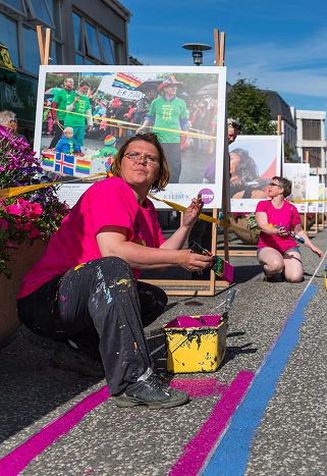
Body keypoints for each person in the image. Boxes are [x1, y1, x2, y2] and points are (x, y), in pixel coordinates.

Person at [16, 133, 214, 409]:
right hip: (45, 300)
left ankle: (82, 351)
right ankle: (133, 380)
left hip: (75, 297)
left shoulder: (145, 207)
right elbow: (114, 250)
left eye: (150, 158)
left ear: (159, 171)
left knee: (152, 296)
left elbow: (156, 255)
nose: (141, 160)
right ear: (120, 163)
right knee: (112, 267)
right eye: (133, 155)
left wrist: (185, 226)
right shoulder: (112, 190)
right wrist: (180, 257)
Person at [256, 176, 323, 282]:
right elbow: (263, 226)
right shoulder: (263, 205)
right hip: (268, 246)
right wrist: (276, 231)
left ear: (281, 190)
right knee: (275, 265)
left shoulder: (291, 208)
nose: (269, 186)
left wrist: (312, 247)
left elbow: (299, 231)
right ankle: (269, 272)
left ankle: (285, 269)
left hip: (288, 247)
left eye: (273, 185)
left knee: (295, 278)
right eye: (270, 184)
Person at [138, 76, 189, 183]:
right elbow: (150, 117)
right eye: (171, 87)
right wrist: (143, 126)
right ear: (164, 89)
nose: (174, 89)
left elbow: (184, 122)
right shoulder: (156, 102)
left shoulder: (181, 103)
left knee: (175, 164)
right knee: (160, 161)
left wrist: (186, 137)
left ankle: (174, 185)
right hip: (159, 137)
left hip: (174, 138)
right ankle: (160, 184)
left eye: (175, 87)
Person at [62, 81, 93, 149]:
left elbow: (88, 112)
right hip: (71, 123)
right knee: (67, 141)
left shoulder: (87, 99)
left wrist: (90, 124)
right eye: (84, 88)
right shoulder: (72, 95)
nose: (86, 90)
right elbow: (68, 109)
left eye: (87, 89)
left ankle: (77, 154)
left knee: (79, 142)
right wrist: (74, 102)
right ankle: (65, 156)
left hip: (81, 124)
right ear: (80, 87)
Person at [48, 77, 75, 148]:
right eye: (69, 81)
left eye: (72, 82)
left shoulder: (74, 94)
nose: (71, 83)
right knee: (58, 136)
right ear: (65, 83)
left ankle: (68, 151)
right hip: (60, 118)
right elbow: (53, 105)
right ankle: (50, 149)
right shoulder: (60, 93)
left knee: (70, 136)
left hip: (70, 119)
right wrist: (55, 118)